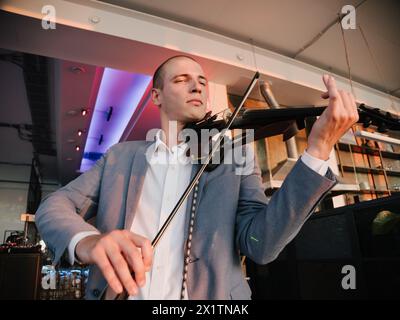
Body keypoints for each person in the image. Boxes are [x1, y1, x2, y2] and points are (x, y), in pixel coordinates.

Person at [36, 55, 359, 300]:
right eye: (181, 80)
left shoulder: (235, 155)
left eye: (203, 81)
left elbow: (261, 244)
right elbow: (53, 207)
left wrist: (317, 150)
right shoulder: (121, 156)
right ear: (156, 96)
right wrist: (89, 242)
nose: (197, 86)